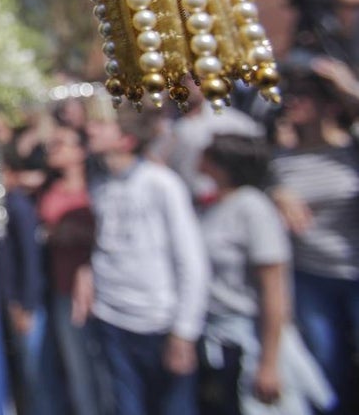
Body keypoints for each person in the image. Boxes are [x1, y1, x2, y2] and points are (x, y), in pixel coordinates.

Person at [73, 108, 210, 415]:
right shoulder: (101, 185)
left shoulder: (162, 184)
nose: (90, 130)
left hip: (158, 323)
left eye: (101, 125)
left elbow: (191, 260)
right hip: (110, 319)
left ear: (126, 139)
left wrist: (184, 331)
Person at [197, 133, 334, 415]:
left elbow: (275, 290)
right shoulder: (214, 204)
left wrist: (269, 363)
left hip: (252, 339)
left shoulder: (253, 209)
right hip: (220, 339)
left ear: (222, 163)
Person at [267, 66, 359, 415]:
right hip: (310, 276)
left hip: (353, 270)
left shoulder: (351, 151)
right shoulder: (280, 160)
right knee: (326, 361)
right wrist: (275, 193)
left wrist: (347, 85)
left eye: (304, 95)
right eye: (290, 95)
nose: (294, 102)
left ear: (326, 103)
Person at [38, 124, 111, 415]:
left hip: (99, 291)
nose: (54, 149)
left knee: (103, 370)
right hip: (62, 290)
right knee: (78, 370)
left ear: (81, 152)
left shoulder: (98, 187)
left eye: (62, 144)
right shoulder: (47, 189)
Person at [0, 154, 54, 415]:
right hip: (16, 304)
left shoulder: (17, 206)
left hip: (26, 305)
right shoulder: (5, 205)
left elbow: (31, 260)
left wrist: (27, 306)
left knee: (36, 376)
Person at [148, 78, 263, 206]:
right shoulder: (163, 127)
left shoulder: (234, 123)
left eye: (194, 79)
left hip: (227, 205)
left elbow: (258, 160)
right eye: (181, 79)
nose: (187, 85)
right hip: (184, 205)